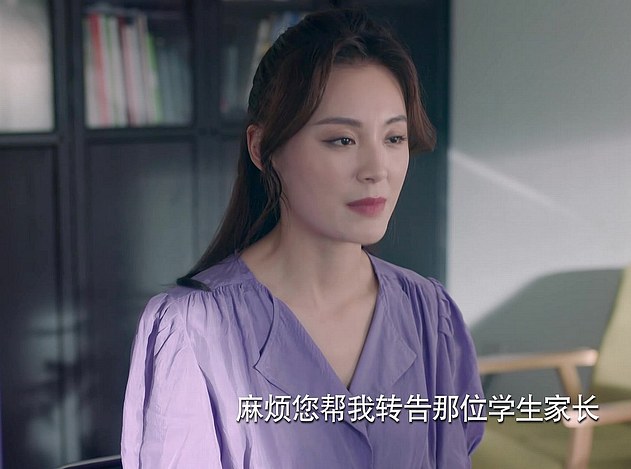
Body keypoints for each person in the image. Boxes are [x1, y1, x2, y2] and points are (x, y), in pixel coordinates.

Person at [121, 8, 484, 468]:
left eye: (394, 138)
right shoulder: (192, 329)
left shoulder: (430, 314)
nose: (377, 170)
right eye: (342, 140)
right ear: (262, 149)